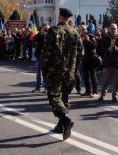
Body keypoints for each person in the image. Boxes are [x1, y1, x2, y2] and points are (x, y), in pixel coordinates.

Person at [40, 8, 83, 140]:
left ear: (60, 17)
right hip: (70, 71)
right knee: (64, 97)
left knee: (54, 97)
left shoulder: (54, 31)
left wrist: (45, 69)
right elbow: (81, 54)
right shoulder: (75, 32)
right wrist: (74, 70)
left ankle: (65, 120)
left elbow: (46, 54)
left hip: (56, 70)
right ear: (68, 19)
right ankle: (60, 126)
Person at [97, 23, 118, 103]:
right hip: (107, 62)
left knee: (117, 82)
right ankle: (102, 95)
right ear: (109, 29)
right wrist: (107, 50)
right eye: (112, 28)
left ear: (117, 29)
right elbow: (100, 50)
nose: (113, 30)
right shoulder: (105, 38)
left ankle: (115, 96)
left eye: (114, 28)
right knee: (105, 81)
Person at [32, 25, 49, 93]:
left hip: (46, 56)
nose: (45, 30)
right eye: (44, 29)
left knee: (45, 73)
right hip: (39, 55)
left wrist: (46, 34)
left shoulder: (49, 35)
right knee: (38, 73)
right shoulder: (39, 35)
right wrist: (40, 33)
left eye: (46, 29)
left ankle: (46, 87)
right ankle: (38, 87)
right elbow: (34, 39)